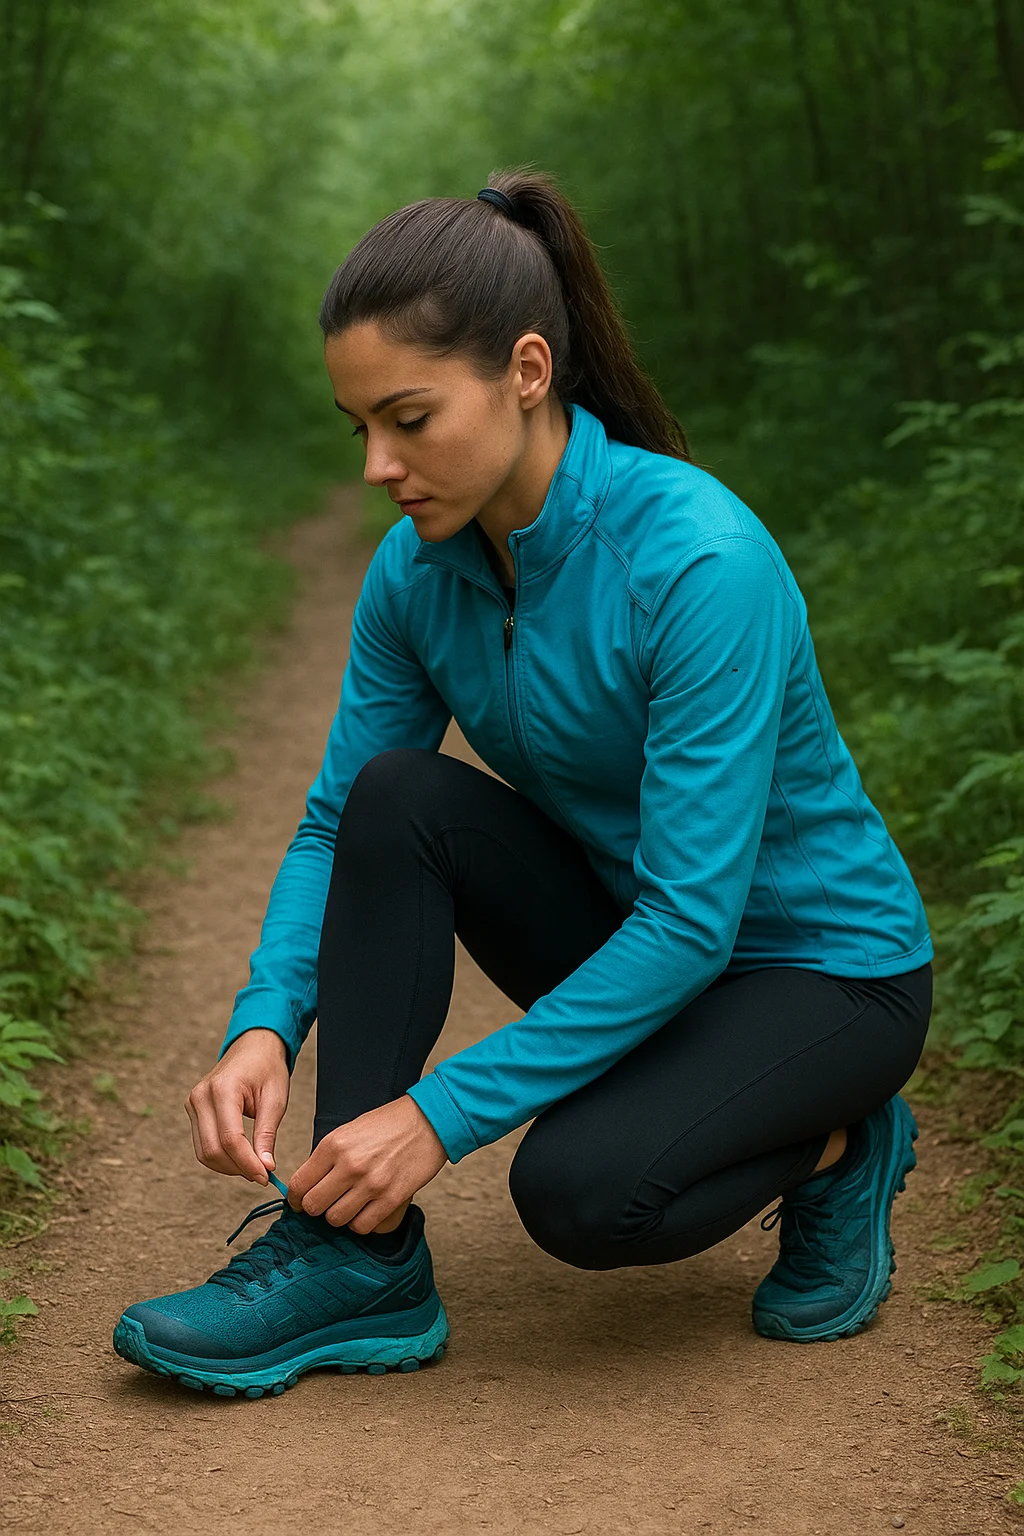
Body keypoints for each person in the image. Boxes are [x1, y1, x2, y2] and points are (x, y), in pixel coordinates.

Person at [113, 170, 933, 1399]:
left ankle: (831, 1145)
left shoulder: (701, 564)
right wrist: (264, 1020)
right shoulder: (418, 573)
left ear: (529, 372)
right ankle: (357, 1253)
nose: (381, 466)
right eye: (360, 430)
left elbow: (693, 921)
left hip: (821, 973)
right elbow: (339, 820)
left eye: (410, 418)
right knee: (397, 796)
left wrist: (436, 1116)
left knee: (581, 1193)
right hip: (644, 937)